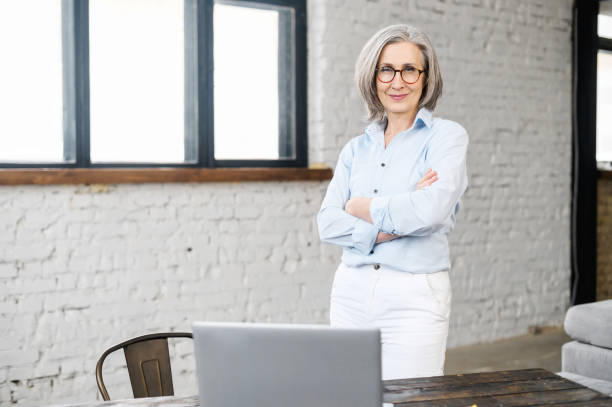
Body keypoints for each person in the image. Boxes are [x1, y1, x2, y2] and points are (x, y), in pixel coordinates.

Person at [317, 24, 469, 380]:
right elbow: (327, 223)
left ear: (425, 77)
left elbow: (431, 211)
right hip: (351, 291)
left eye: (409, 69)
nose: (397, 81)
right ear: (373, 78)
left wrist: (359, 207)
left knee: (412, 399)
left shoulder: (447, 137)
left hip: (414, 294)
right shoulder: (355, 150)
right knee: (347, 398)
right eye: (386, 69)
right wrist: (398, 216)